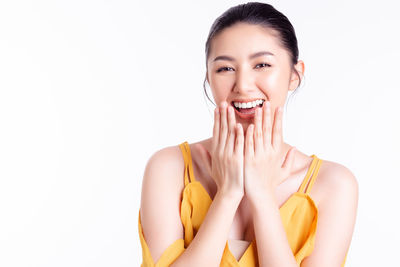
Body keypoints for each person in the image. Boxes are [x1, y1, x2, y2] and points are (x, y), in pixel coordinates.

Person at [138, 2, 359, 266]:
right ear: (209, 78)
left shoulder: (334, 184)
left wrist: (262, 195)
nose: (242, 86)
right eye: (225, 69)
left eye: (262, 65)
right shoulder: (169, 167)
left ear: (294, 75)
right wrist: (228, 193)